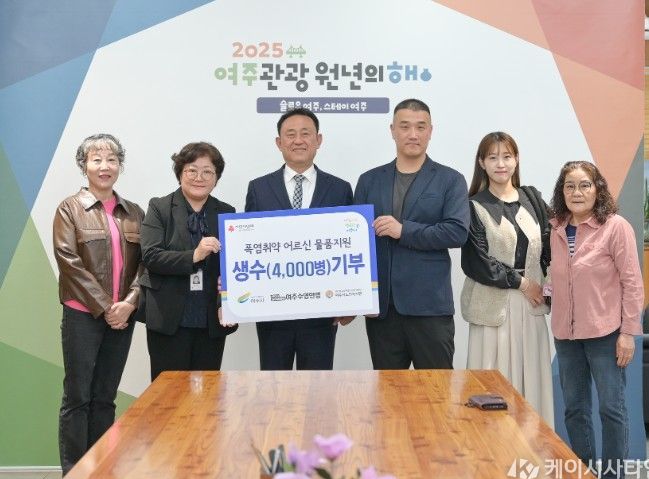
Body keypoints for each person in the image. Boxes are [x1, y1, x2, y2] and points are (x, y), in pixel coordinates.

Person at [549, 161, 643, 479]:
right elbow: (558, 276)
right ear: (562, 192)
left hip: (606, 333)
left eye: (585, 185)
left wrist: (628, 333)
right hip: (567, 335)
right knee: (575, 408)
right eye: (570, 186)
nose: (577, 192)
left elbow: (632, 282)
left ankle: (614, 478)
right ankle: (584, 474)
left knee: (611, 408)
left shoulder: (615, 227)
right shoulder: (556, 228)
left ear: (597, 189)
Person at [354, 98, 469, 369]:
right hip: (383, 310)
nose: (413, 134)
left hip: (429, 308)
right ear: (392, 130)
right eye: (405, 127)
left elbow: (456, 232)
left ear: (431, 131)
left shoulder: (450, 179)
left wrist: (403, 230)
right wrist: (357, 298)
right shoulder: (369, 180)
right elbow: (357, 244)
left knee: (437, 390)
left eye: (420, 127)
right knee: (388, 391)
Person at [53, 133, 144, 475]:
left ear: (120, 165)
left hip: (123, 316)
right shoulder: (70, 209)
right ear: (84, 166)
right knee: (78, 397)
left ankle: (102, 471)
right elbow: (68, 261)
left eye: (112, 160)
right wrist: (107, 306)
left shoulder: (133, 212)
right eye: (96, 160)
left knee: (105, 397)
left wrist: (129, 303)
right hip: (83, 315)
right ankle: (75, 475)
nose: (105, 166)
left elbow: (146, 264)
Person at [245, 108, 354, 370]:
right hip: (272, 312)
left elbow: (351, 247)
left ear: (318, 140)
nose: (298, 140)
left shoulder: (340, 189)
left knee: (318, 387)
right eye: (290, 134)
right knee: (272, 386)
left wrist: (351, 302)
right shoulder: (259, 188)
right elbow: (249, 247)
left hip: (322, 312)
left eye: (305, 134)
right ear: (279, 142)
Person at [460, 132, 554, 426]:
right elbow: (477, 261)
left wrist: (549, 288)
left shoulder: (532, 199)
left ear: (517, 160)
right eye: (492, 157)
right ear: (481, 163)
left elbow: (551, 248)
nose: (500, 164)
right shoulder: (472, 205)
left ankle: (533, 446)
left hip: (532, 308)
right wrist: (523, 284)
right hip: (492, 309)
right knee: (492, 386)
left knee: (533, 383)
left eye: (507, 156)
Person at [138, 142, 237, 381]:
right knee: (167, 394)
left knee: (207, 393)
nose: (199, 177)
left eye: (207, 171)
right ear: (180, 173)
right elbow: (151, 256)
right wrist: (195, 255)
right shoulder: (160, 207)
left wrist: (228, 301)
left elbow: (233, 267)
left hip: (211, 319)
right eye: (192, 170)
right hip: (169, 317)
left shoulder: (226, 212)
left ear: (216, 178)